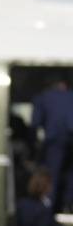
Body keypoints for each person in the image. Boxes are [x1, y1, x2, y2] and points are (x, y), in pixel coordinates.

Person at [32, 78, 73, 211]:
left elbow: (35, 123)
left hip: (54, 141)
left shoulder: (44, 97)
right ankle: (68, 206)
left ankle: (48, 209)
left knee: (51, 177)